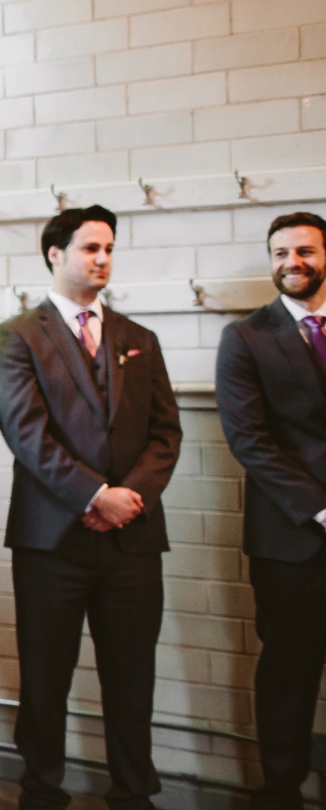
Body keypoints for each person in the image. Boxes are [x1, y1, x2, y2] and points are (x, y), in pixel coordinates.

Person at [0, 205, 181, 810]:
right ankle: (42, 792)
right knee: (45, 678)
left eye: (108, 248)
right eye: (90, 248)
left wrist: (131, 498)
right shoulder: (18, 335)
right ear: (55, 254)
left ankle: (132, 793)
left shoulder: (138, 340)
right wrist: (95, 495)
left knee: (131, 676)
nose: (102, 259)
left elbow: (166, 433)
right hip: (53, 540)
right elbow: (26, 433)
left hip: (132, 538)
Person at [214, 211, 326, 810]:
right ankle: (281, 792)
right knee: (289, 673)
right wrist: (322, 510)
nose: (292, 263)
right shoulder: (246, 337)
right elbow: (251, 440)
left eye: (304, 251)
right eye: (280, 253)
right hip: (290, 538)